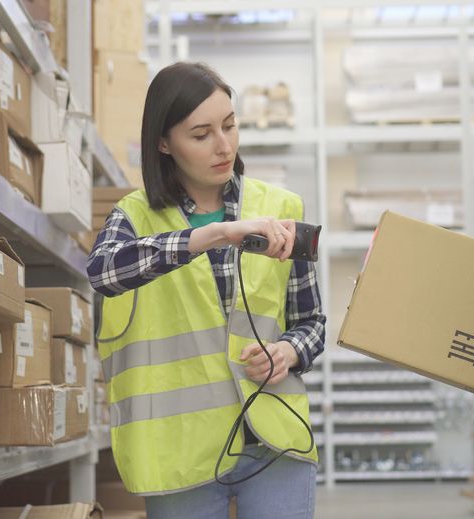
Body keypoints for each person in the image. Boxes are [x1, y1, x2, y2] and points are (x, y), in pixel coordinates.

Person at [86, 62, 325, 519]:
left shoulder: (280, 208)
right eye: (201, 135)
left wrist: (290, 351)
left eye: (230, 126)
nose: (224, 146)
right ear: (163, 142)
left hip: (275, 440)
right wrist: (212, 235)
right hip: (180, 455)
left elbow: (312, 322)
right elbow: (103, 272)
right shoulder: (134, 216)